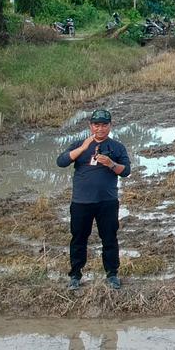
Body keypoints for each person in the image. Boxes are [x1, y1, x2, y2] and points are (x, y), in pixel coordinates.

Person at [56, 108, 131, 290]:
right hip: (81, 202)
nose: (100, 129)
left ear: (110, 126)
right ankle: (75, 275)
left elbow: (126, 171)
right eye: (96, 125)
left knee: (109, 238)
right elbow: (61, 161)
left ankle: (112, 274)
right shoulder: (79, 144)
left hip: (107, 201)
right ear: (91, 126)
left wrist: (111, 164)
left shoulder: (117, 147)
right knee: (79, 239)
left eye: (104, 125)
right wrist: (82, 148)